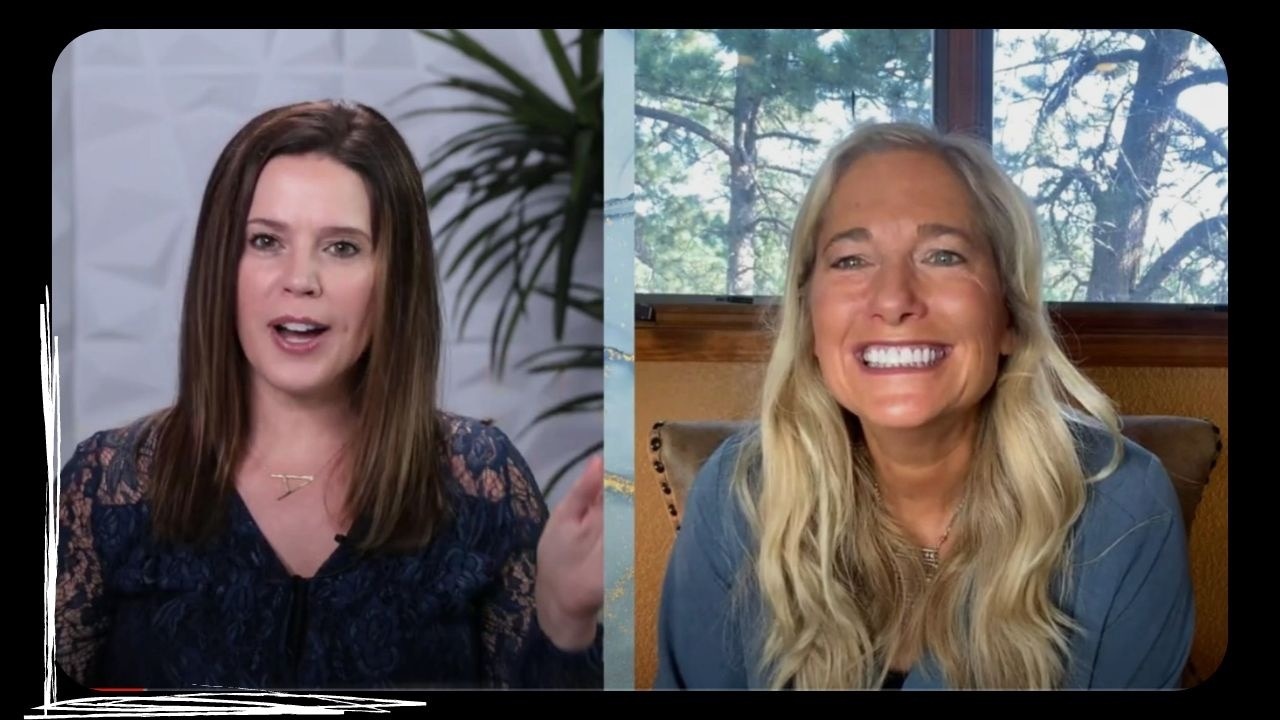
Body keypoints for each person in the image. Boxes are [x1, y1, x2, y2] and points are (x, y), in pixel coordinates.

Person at [55, 100, 604, 690]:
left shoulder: (480, 481)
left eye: (342, 247)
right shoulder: (110, 483)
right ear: (222, 263)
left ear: (393, 277)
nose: (300, 280)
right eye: (266, 240)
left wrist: (565, 622)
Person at [655, 122, 1194, 690]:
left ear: (1009, 315)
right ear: (809, 316)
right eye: (850, 260)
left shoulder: (1126, 507)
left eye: (943, 255)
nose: (893, 300)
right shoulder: (737, 493)